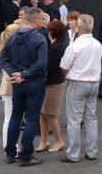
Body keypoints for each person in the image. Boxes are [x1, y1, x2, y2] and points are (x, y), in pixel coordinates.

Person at [2, 6, 49, 166]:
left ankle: (10, 153)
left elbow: (4, 59)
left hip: (19, 83)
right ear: (35, 20)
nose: (43, 22)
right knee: (31, 119)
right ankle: (26, 156)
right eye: (42, 19)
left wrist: (15, 74)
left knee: (15, 117)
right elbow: (41, 64)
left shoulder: (14, 36)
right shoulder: (39, 38)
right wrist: (22, 75)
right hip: (34, 83)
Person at [59, 14, 102, 163]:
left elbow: (64, 66)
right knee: (91, 118)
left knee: (74, 120)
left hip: (77, 83)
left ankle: (73, 154)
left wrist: (67, 75)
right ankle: (92, 151)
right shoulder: (98, 44)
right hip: (94, 83)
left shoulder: (75, 45)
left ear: (78, 27)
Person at [35, 19, 67, 153]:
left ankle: (59, 141)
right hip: (53, 83)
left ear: (51, 32)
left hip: (53, 84)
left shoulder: (55, 48)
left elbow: (49, 68)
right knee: (43, 113)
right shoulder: (58, 45)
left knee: (49, 114)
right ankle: (44, 141)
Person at [0, 21, 21, 151]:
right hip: (11, 85)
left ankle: (10, 147)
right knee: (11, 119)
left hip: (7, 85)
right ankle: (10, 147)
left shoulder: (4, 48)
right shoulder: (12, 49)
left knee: (10, 118)